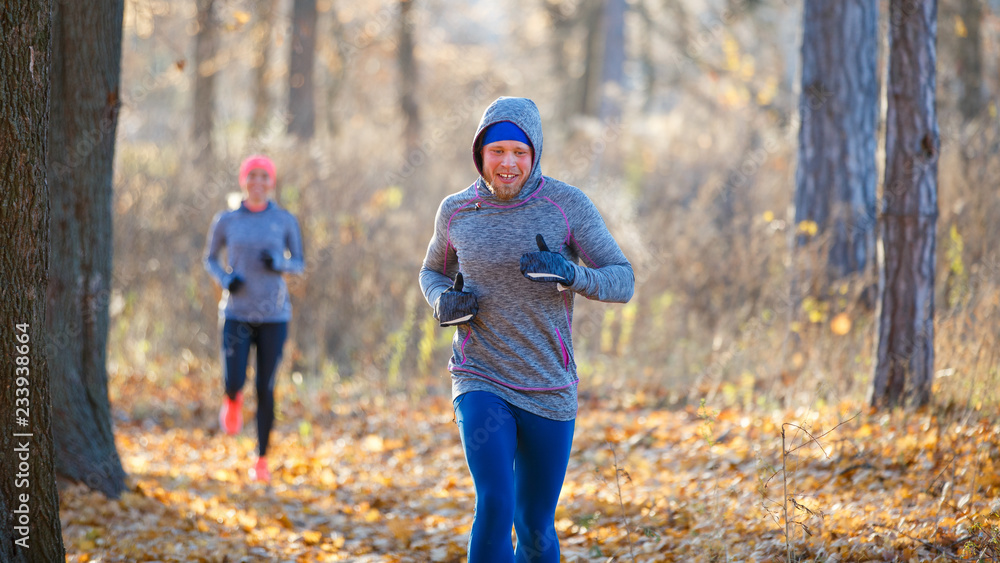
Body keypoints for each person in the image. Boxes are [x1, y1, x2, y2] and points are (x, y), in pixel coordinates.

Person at [419, 97, 634, 562]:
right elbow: (430, 271)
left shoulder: (566, 206)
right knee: (495, 502)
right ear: (480, 154)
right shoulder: (456, 211)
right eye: (497, 151)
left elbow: (623, 280)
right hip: (480, 375)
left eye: (519, 151)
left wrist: (571, 273)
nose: (508, 163)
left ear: (535, 153)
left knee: (534, 524)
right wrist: (443, 299)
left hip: (548, 383)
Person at [204, 154, 304, 483]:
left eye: (264, 176)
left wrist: (280, 263)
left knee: (266, 386)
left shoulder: (285, 220)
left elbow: (298, 263)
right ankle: (232, 398)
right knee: (234, 379)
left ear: (271, 182)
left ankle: (261, 459)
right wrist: (225, 278)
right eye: (252, 176)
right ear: (243, 181)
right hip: (236, 312)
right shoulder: (227, 219)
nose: (258, 182)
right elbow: (210, 258)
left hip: (274, 314)